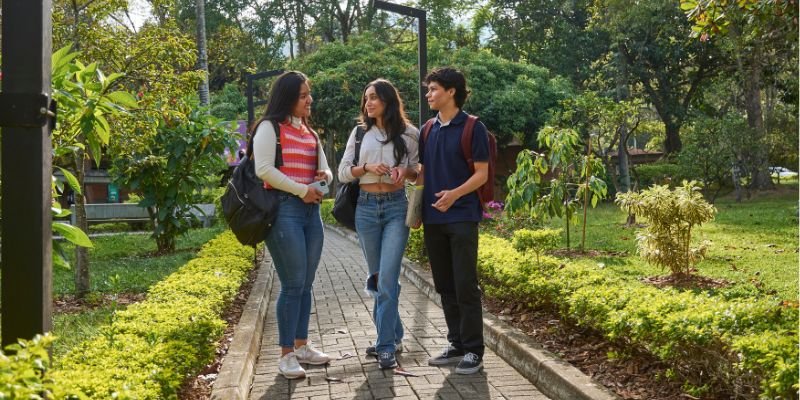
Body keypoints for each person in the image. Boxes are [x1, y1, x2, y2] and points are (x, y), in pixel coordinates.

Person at [252, 71, 333, 379]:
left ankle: (302, 346)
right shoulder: (269, 129)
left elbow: (325, 168)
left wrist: (325, 177)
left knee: (306, 283)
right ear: (287, 98)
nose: (309, 99)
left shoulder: (309, 133)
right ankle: (286, 354)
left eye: (308, 94)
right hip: (284, 211)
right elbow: (263, 169)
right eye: (303, 95)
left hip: (312, 213)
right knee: (293, 283)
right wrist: (302, 189)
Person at [338, 79, 419, 370]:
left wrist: (403, 171)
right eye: (366, 98)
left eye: (374, 97)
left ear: (388, 100)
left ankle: (385, 347)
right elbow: (343, 173)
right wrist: (367, 168)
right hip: (366, 210)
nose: (368, 103)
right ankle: (394, 334)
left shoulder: (410, 134)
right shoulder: (360, 133)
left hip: (397, 208)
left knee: (386, 280)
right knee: (378, 280)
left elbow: (417, 171)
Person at [416, 67, 489, 375]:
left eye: (433, 89)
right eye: (428, 89)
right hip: (433, 218)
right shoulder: (427, 129)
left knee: (465, 284)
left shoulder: (473, 127)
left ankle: (474, 350)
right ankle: (456, 342)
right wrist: (414, 203)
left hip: (461, 216)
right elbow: (423, 171)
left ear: (451, 92)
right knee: (445, 284)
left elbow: (482, 174)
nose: (428, 94)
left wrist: (454, 195)